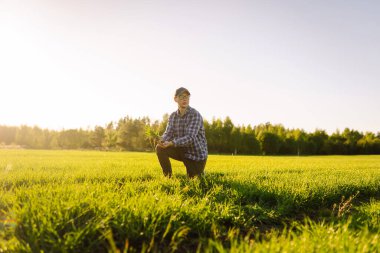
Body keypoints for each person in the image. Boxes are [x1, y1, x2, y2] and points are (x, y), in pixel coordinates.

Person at [156, 87, 208, 178]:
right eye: (181, 97)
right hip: (182, 150)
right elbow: (168, 133)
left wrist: (172, 143)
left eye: (187, 97)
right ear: (175, 99)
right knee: (160, 148)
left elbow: (190, 138)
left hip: (196, 155)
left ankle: (199, 172)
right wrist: (162, 140)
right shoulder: (173, 116)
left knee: (193, 179)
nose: (185, 99)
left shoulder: (195, 115)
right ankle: (168, 177)